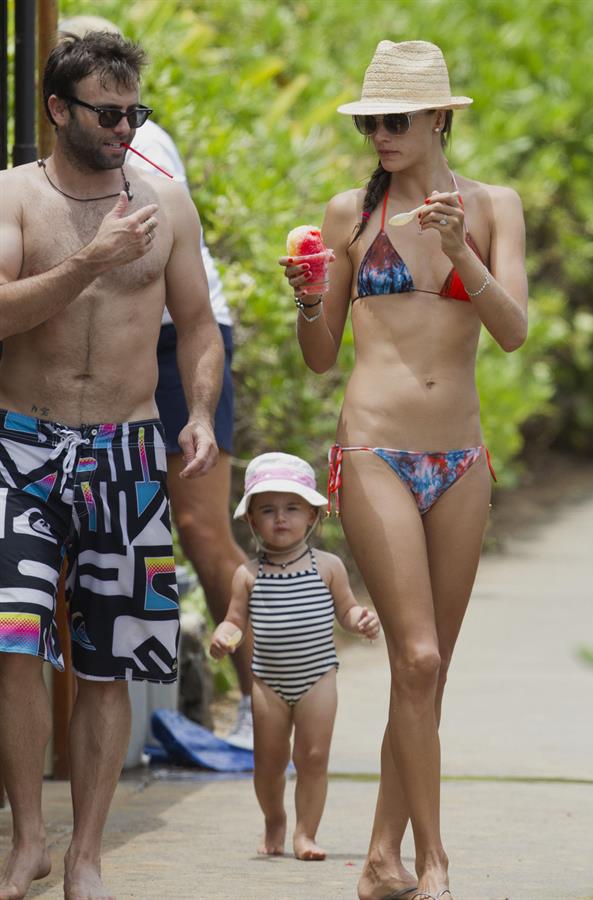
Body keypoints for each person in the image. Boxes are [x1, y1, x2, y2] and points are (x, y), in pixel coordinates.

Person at [279, 40, 527, 900]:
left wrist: (463, 253)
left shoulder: (494, 208)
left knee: (428, 673)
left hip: (461, 457)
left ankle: (381, 860)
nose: (381, 133)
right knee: (415, 659)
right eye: (371, 121)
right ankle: (434, 861)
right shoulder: (351, 211)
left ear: (437, 120)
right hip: (375, 446)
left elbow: (515, 330)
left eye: (396, 120)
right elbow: (319, 357)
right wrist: (310, 296)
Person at [0, 31, 223, 900]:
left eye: (135, 110)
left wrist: (198, 412)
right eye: (107, 111)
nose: (124, 125)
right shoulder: (16, 197)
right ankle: (29, 838)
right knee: (12, 637)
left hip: (129, 451)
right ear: (58, 110)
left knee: (108, 660)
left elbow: (199, 327)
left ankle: (86, 853)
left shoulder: (167, 204)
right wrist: (89, 261)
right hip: (20, 441)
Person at [59, 14, 253, 750]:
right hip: (101, 339)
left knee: (203, 526)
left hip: (178, 329)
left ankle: (273, 707)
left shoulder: (134, 138)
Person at [210, 452, 380, 861]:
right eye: (267, 510)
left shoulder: (328, 567)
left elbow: (346, 609)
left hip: (318, 676)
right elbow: (235, 621)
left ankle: (306, 833)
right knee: (268, 762)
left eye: (292, 508)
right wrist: (223, 637)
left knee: (314, 757)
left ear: (312, 516)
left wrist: (361, 620)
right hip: (268, 681)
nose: (280, 518)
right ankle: (274, 819)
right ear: (251, 520)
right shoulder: (247, 574)